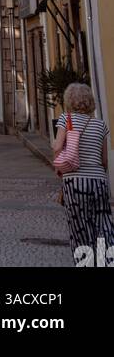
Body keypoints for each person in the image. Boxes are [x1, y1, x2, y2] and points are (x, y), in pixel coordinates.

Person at [53, 81, 114, 266]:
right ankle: (105, 262)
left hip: (75, 182)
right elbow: (104, 161)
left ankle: (86, 264)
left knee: (80, 227)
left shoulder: (66, 119)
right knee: (103, 224)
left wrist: (60, 165)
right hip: (98, 182)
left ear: (69, 101)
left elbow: (57, 148)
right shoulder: (101, 125)